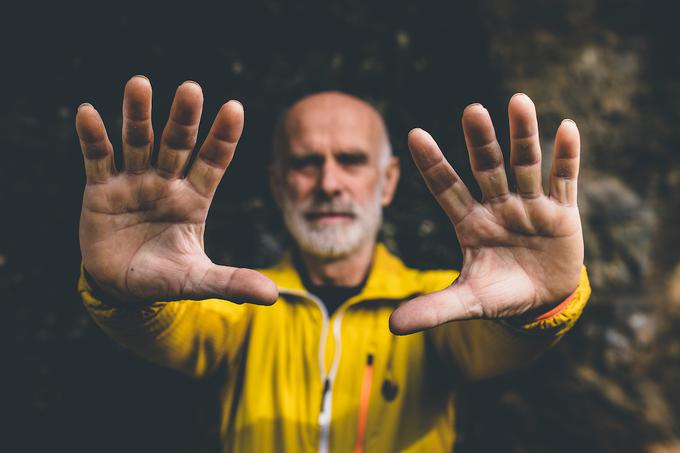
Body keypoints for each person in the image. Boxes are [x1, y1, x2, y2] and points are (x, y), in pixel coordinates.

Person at [76, 75, 590, 452]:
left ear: (387, 181)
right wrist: (123, 292)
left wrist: (539, 303)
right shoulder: (238, 303)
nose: (328, 183)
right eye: (305, 163)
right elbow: (167, 330)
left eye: (350, 160)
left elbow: (498, 347)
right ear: (278, 185)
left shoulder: (446, 302)